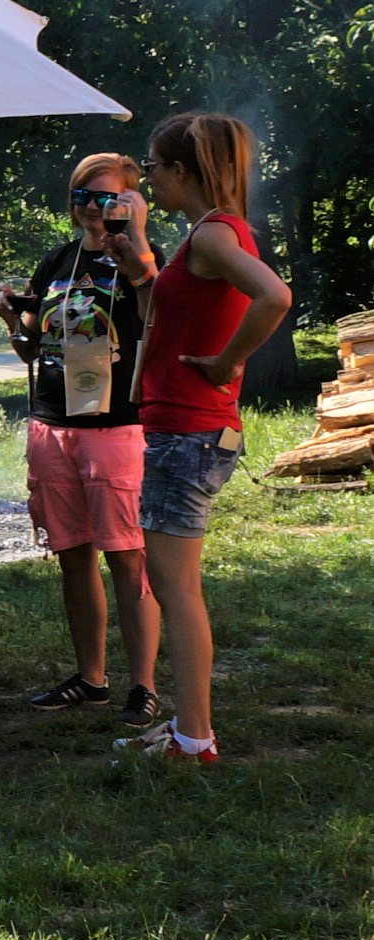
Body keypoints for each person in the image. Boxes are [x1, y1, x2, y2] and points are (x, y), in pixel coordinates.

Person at [104, 112, 291, 763]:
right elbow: (171, 316)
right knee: (172, 582)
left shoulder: (212, 234)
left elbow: (274, 296)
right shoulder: (209, 234)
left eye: (153, 167)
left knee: (175, 588)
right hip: (185, 429)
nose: (147, 178)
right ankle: (189, 725)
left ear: (182, 171)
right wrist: (141, 272)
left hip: (190, 430)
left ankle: (193, 738)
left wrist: (227, 362)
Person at [0, 154, 161, 727]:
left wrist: (136, 243)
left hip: (115, 427)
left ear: (131, 204)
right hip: (53, 423)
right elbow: (31, 347)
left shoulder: (142, 261)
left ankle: (143, 686)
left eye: (108, 198)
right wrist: (14, 321)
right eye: (83, 196)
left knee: (128, 558)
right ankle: (92, 678)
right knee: (72, 555)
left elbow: (158, 320)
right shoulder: (57, 261)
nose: (94, 207)